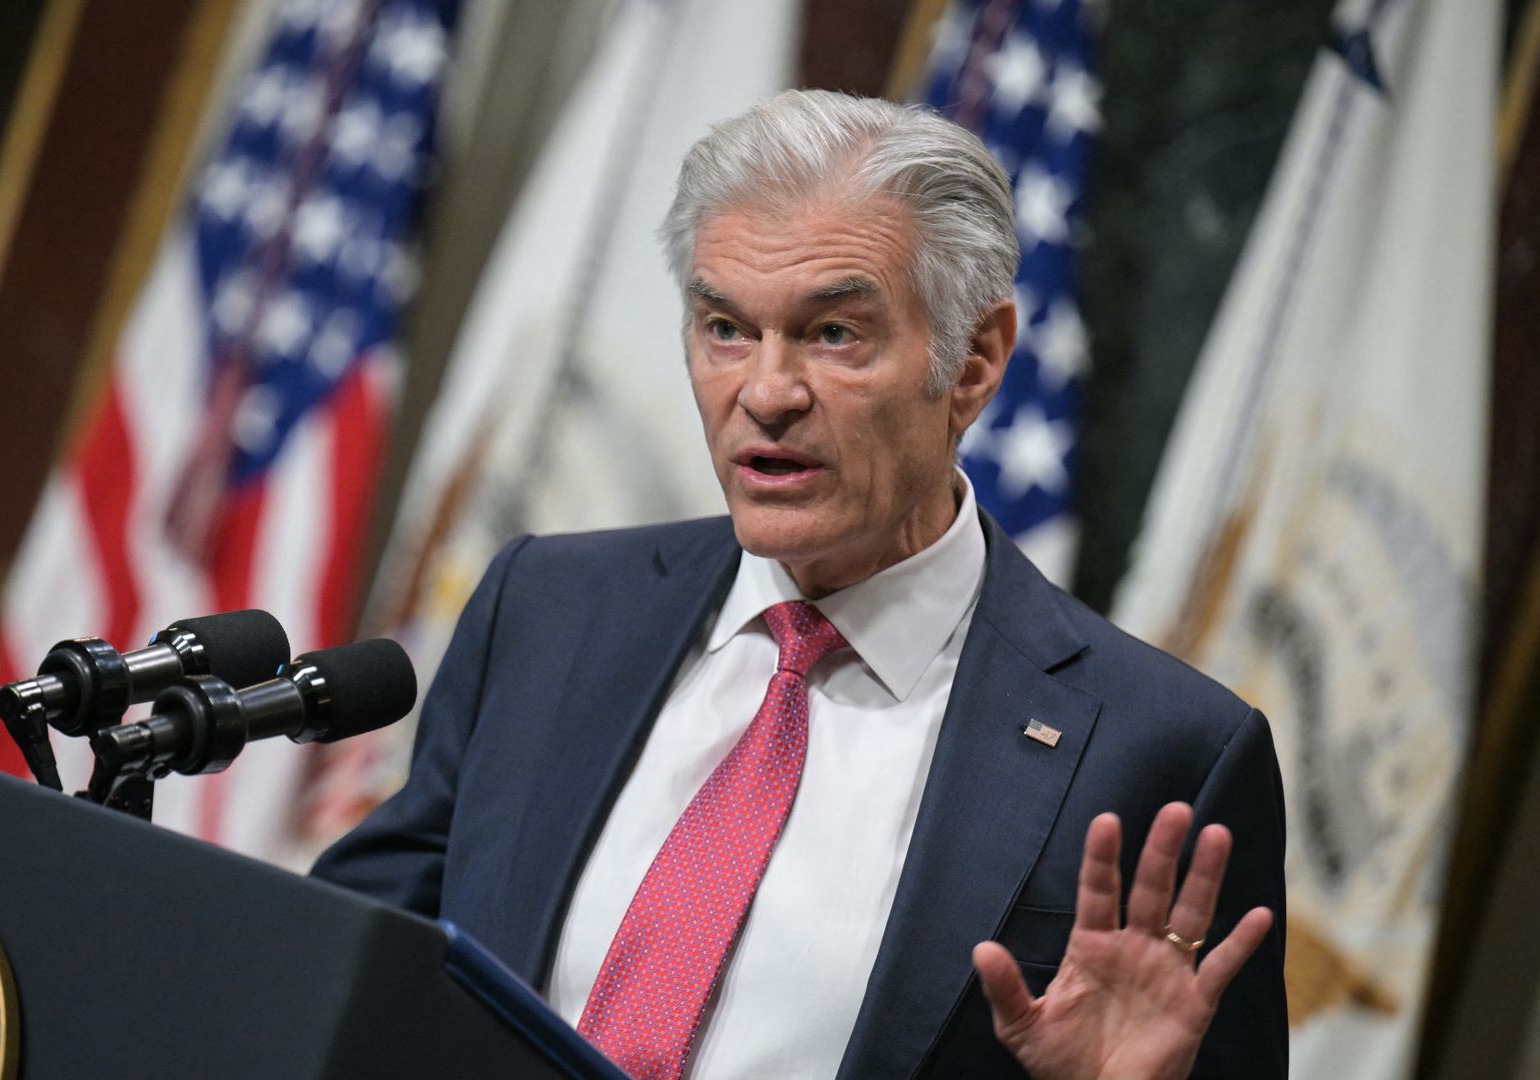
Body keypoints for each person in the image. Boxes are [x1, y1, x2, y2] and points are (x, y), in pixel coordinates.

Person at [310, 90, 1284, 1079]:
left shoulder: (1162, 752)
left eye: (833, 335)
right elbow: (349, 969)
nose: (766, 394)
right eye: (727, 327)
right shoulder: (548, 607)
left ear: (976, 361)